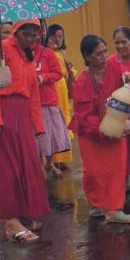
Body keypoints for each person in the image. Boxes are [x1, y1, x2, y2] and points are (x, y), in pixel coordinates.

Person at [70, 35, 130, 225]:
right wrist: (103, 130)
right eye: (99, 53)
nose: (104, 56)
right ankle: (96, 203)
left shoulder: (114, 68)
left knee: (116, 169)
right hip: (91, 133)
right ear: (87, 56)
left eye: (105, 52)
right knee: (93, 171)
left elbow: (129, 90)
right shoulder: (82, 82)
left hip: (115, 127)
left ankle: (114, 209)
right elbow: (84, 117)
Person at [0, 19, 50, 242]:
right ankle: (10, 222)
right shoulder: (2, 48)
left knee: (27, 165)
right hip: (4, 111)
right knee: (7, 168)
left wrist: (38, 124)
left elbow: (33, 93)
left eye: (35, 35)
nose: (32, 39)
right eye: (27, 34)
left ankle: (24, 211)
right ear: (16, 32)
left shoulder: (29, 55)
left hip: (23, 115)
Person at [106, 26, 130, 196]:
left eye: (124, 42)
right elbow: (107, 85)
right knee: (122, 146)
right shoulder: (111, 62)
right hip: (119, 109)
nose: (120, 46)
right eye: (117, 43)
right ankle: (125, 179)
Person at [33, 35, 71, 178]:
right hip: (30, 103)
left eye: (35, 33)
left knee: (50, 136)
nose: (32, 38)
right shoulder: (22, 53)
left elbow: (58, 73)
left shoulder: (47, 53)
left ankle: (49, 164)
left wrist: (43, 78)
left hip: (48, 101)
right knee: (36, 138)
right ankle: (40, 165)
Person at [44, 24, 77, 168]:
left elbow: (65, 73)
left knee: (64, 120)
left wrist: (69, 68)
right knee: (56, 122)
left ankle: (63, 158)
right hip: (54, 90)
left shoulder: (62, 53)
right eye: (54, 36)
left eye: (60, 36)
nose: (57, 39)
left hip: (63, 91)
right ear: (48, 38)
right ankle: (55, 160)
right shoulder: (46, 53)